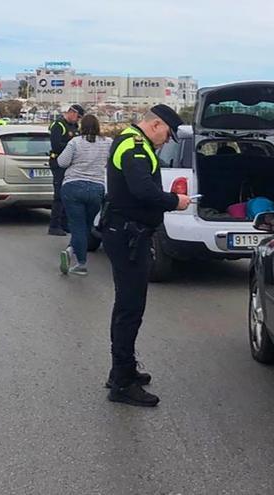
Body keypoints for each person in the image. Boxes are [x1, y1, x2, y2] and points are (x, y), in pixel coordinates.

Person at [101, 105, 190, 407]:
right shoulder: (135, 146)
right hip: (126, 235)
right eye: (167, 133)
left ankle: (121, 371)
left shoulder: (131, 141)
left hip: (126, 232)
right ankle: (122, 384)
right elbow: (142, 191)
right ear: (155, 125)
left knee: (128, 305)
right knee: (130, 307)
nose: (167, 140)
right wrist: (174, 201)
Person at [56, 114, 112, 276]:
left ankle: (81, 264)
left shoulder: (75, 142)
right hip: (96, 189)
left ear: (81, 126)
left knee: (77, 225)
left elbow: (62, 162)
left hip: (73, 187)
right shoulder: (107, 143)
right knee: (86, 226)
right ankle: (70, 250)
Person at [47, 104, 84, 236]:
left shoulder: (75, 127)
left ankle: (64, 223)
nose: (77, 119)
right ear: (71, 113)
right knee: (59, 194)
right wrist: (72, 147)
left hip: (70, 163)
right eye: (77, 116)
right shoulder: (58, 125)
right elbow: (56, 146)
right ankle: (54, 225)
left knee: (68, 194)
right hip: (58, 162)